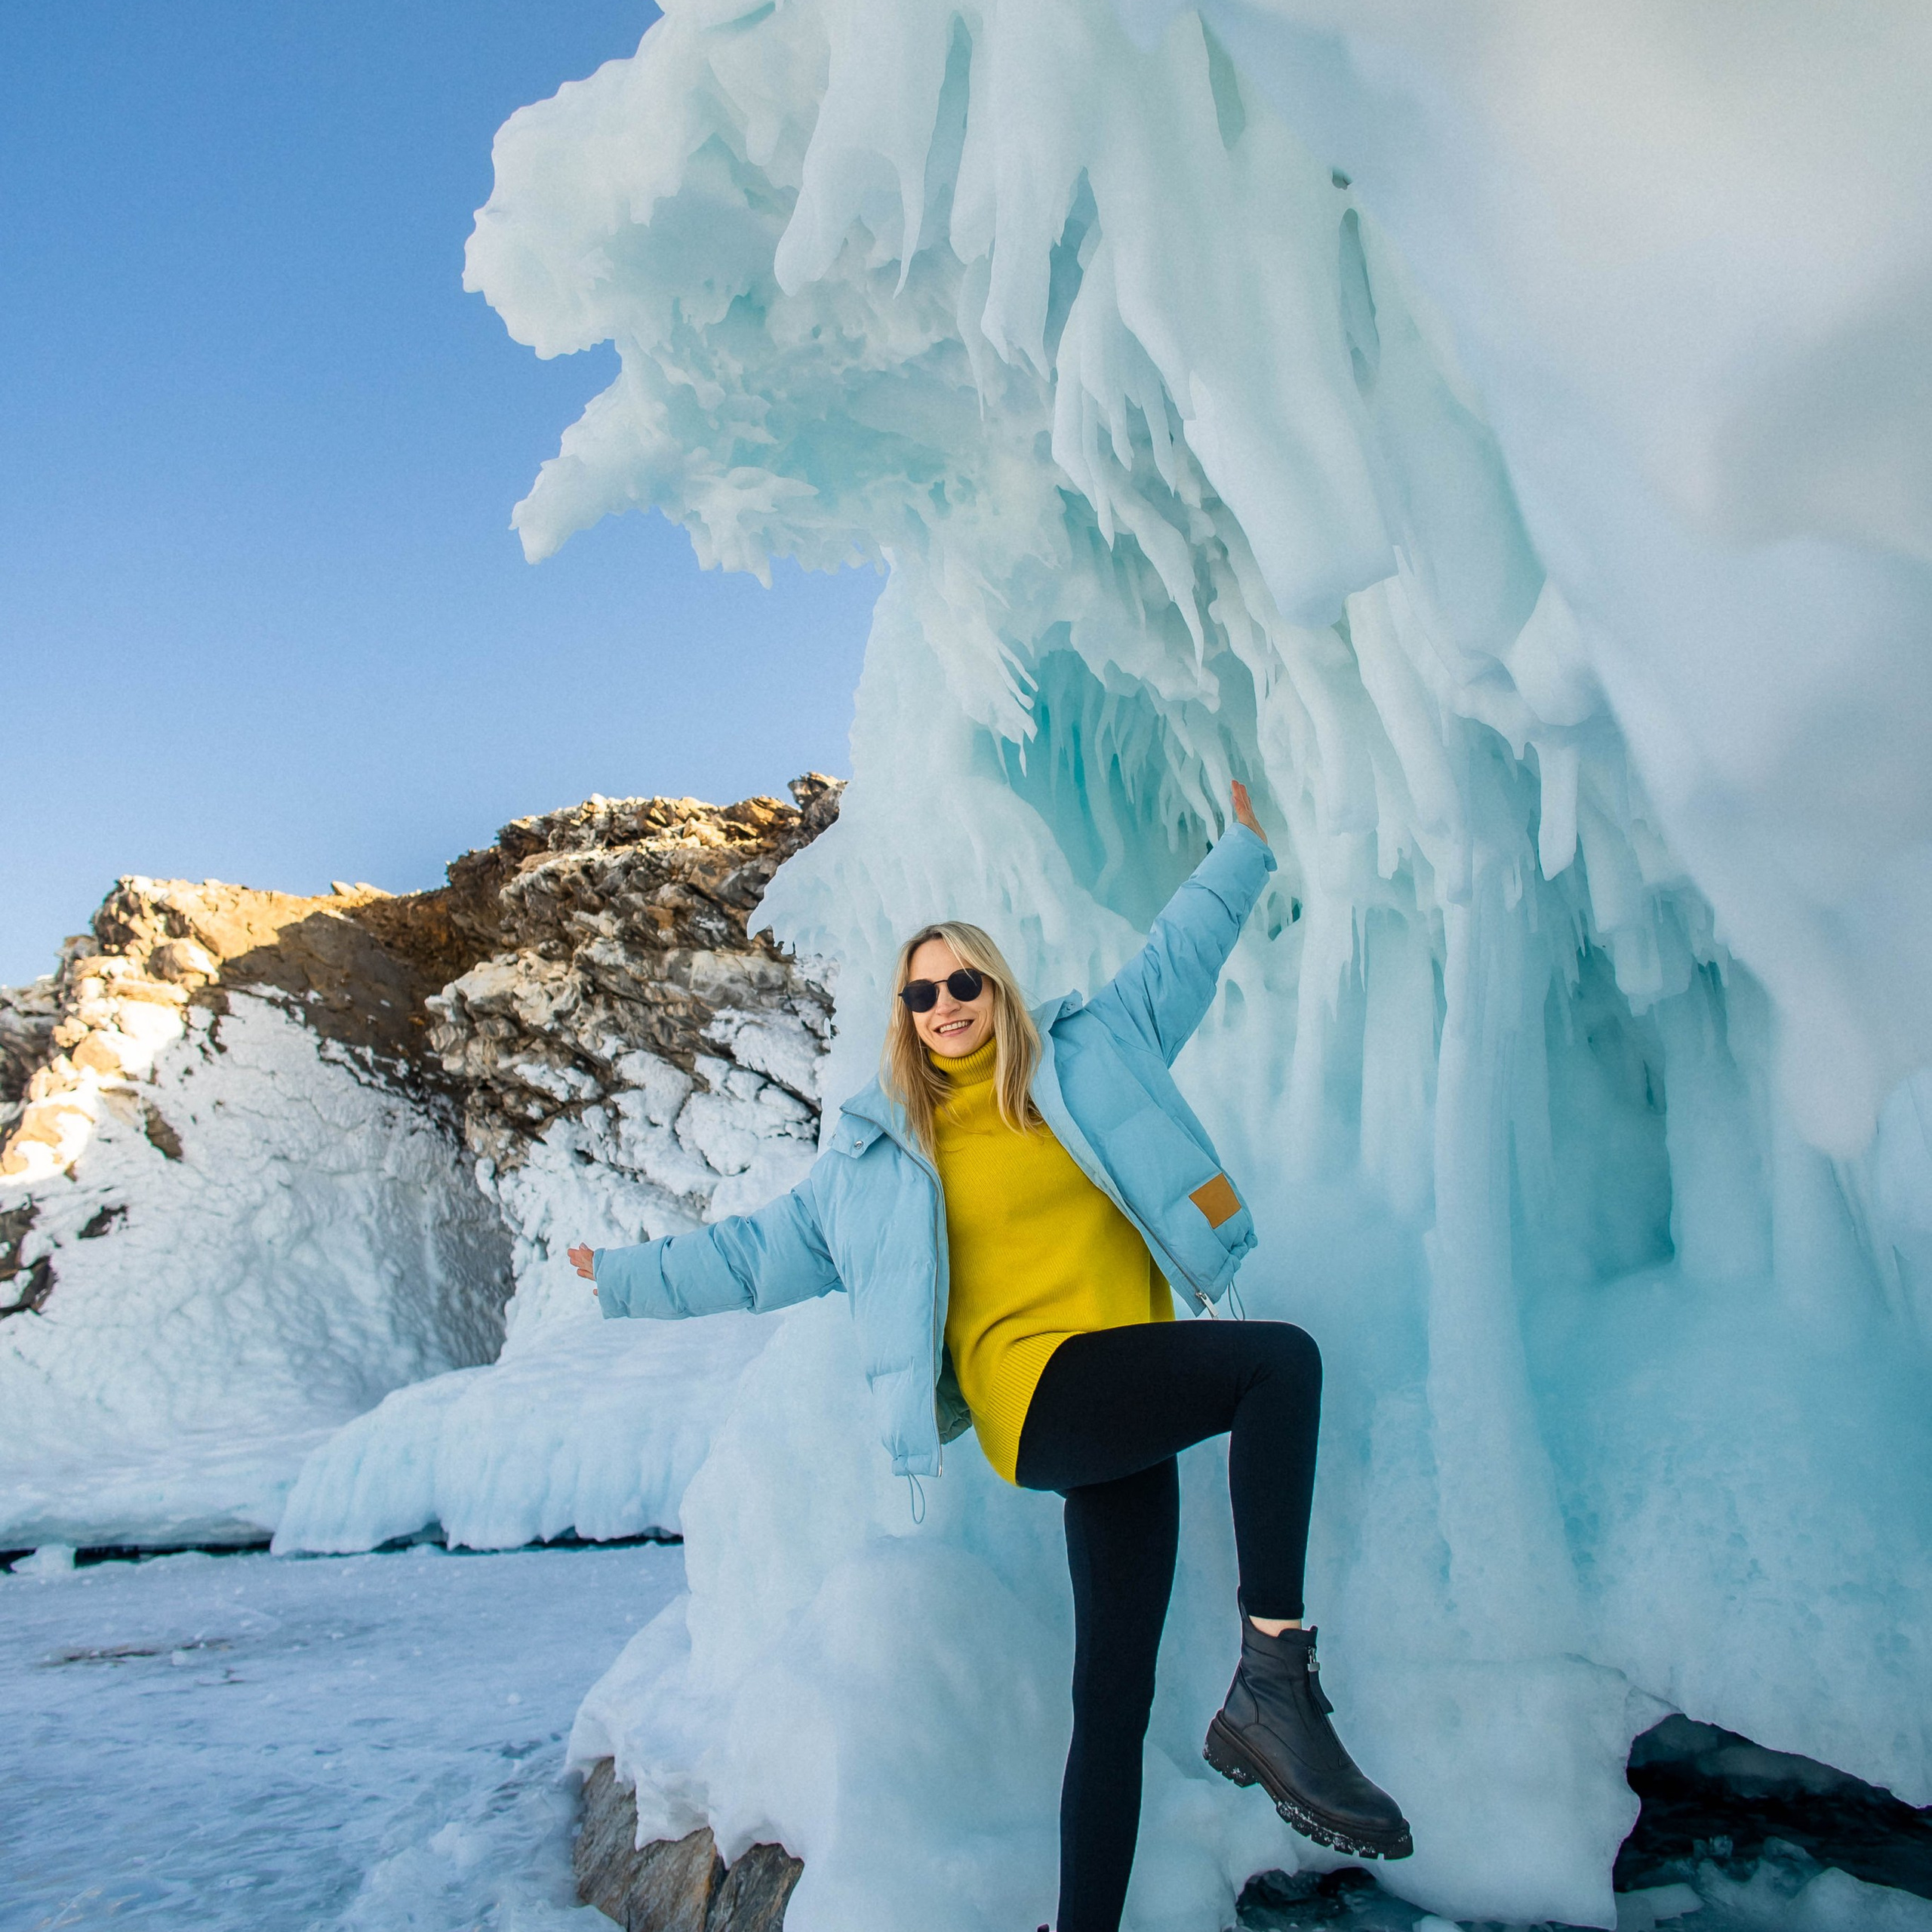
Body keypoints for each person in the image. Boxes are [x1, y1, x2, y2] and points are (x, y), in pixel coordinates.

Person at [568, 781, 1411, 1932]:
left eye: (962, 982)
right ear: (904, 1017)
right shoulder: (879, 1158)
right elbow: (754, 1256)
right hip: (1042, 1398)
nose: (944, 1004)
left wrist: (1246, 849)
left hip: (1125, 1392)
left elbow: (1179, 957)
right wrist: (621, 1277)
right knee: (1278, 1366)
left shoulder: (1092, 1054)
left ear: (998, 989)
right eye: (920, 994)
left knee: (1110, 1702)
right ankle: (1275, 1676)